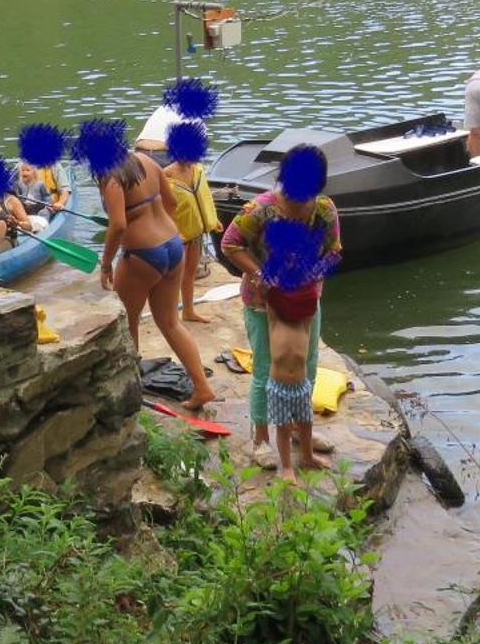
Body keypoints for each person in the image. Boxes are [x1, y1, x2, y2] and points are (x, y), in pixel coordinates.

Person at [216, 143, 341, 478]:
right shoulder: (259, 210)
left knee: (307, 365)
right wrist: (261, 275)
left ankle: (304, 434)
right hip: (263, 302)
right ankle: (260, 439)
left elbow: (333, 251)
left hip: (305, 300)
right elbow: (230, 244)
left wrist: (311, 275)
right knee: (265, 370)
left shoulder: (324, 209)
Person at [89, 122, 217, 413]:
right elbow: (171, 203)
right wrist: (159, 227)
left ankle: (133, 391)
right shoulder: (146, 160)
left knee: (129, 322)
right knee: (171, 321)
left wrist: (107, 263)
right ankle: (202, 387)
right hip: (173, 245)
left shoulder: (111, 177)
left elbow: (118, 224)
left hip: (142, 254)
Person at [164, 122, 220, 324]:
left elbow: (205, 197)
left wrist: (213, 220)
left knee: (189, 274)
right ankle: (170, 314)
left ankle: (188, 310)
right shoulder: (166, 175)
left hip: (196, 233)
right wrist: (171, 234)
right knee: (173, 276)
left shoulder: (197, 169)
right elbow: (163, 208)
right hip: (177, 235)